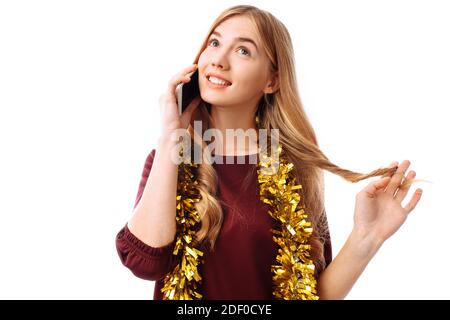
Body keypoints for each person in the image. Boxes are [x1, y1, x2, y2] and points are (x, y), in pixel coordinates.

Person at [115, 5, 423, 300]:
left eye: (243, 50)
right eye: (214, 42)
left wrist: (366, 237)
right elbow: (144, 262)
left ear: (272, 80)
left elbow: (310, 294)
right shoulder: (169, 162)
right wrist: (172, 136)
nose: (218, 60)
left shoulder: (293, 170)